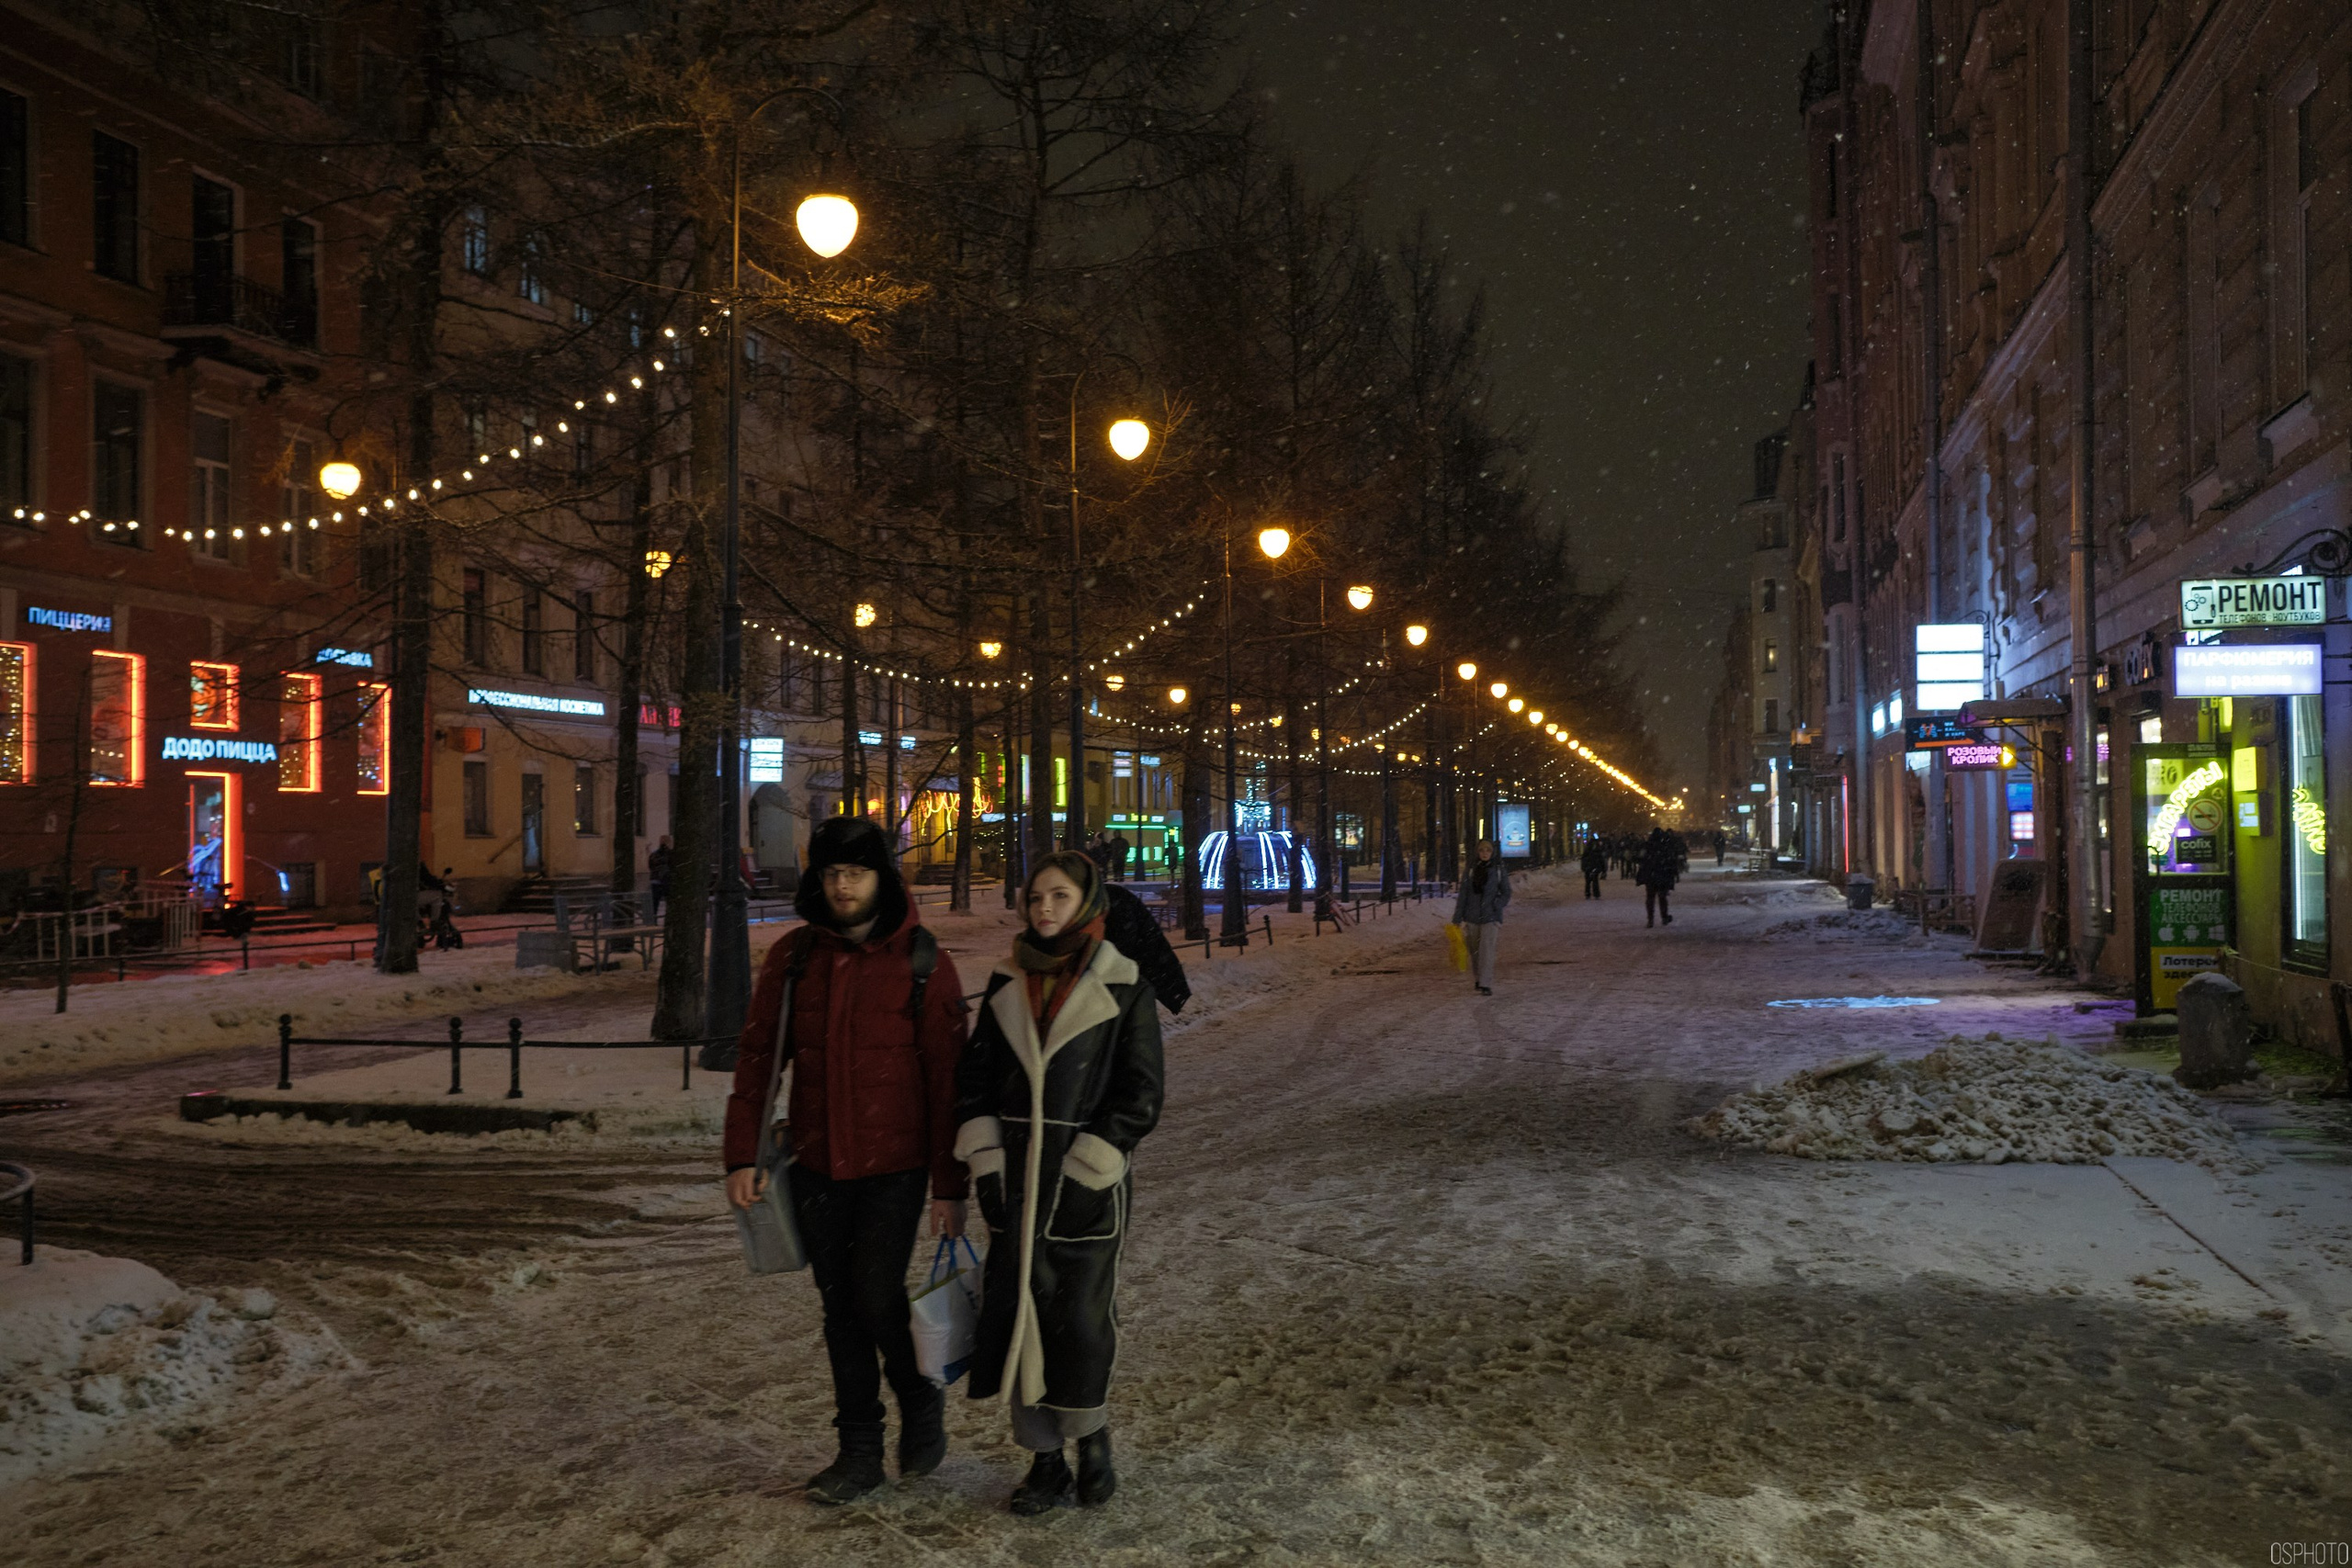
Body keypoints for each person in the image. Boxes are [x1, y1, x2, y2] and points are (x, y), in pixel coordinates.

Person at [722, 817, 970, 1506]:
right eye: (831, 873)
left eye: (855, 873)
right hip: (817, 1161)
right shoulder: (794, 959)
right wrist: (742, 1154)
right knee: (840, 1307)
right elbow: (757, 1059)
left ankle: (918, 1398)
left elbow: (948, 1082)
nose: (842, 885)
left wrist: (950, 1188)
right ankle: (858, 1448)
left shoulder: (924, 962)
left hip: (896, 1164)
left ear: (880, 878)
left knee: (872, 1293)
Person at [956, 851, 1165, 1516]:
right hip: (1015, 1180)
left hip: (1084, 1184)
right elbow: (975, 1083)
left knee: (1080, 1317)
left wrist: (1093, 1163)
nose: (1044, 908)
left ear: (1087, 902)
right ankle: (1043, 1457)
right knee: (1019, 1312)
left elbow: (1141, 1093)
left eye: (1060, 895)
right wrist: (985, 1157)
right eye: (1036, 896)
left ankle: (1092, 1439)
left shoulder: (1125, 984)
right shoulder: (1004, 982)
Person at [1451, 837, 1510, 995]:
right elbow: (1463, 893)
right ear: (1477, 852)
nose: (1485, 853)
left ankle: (1485, 983)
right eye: (1482, 850)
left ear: (1493, 852)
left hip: (1490, 917)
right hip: (1472, 916)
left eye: (1488, 850)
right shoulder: (1471, 869)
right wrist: (1458, 916)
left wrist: (1496, 905)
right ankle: (1479, 978)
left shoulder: (1498, 870)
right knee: (1475, 952)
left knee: (1487, 951)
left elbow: (1506, 892)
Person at [1636, 823, 1682, 928]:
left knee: (1650, 898)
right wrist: (1673, 873)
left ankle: (1650, 919)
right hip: (1662, 875)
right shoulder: (1665, 847)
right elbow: (1671, 861)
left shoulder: (1648, 846)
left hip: (1651, 876)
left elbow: (1641, 859)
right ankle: (1664, 917)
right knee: (1662, 898)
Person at [646, 835, 674, 922]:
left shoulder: (654, 854)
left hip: (655, 881)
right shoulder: (671, 854)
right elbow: (673, 866)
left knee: (655, 903)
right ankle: (669, 921)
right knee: (670, 903)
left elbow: (650, 866)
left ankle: (653, 921)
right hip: (667, 881)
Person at [1579, 835, 1608, 899]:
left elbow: (1583, 858)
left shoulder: (1588, 848)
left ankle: (1588, 893)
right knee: (1595, 880)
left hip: (1588, 866)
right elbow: (1601, 859)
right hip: (1595, 865)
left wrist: (1583, 867)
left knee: (1588, 881)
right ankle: (1596, 894)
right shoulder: (1598, 848)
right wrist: (1603, 869)